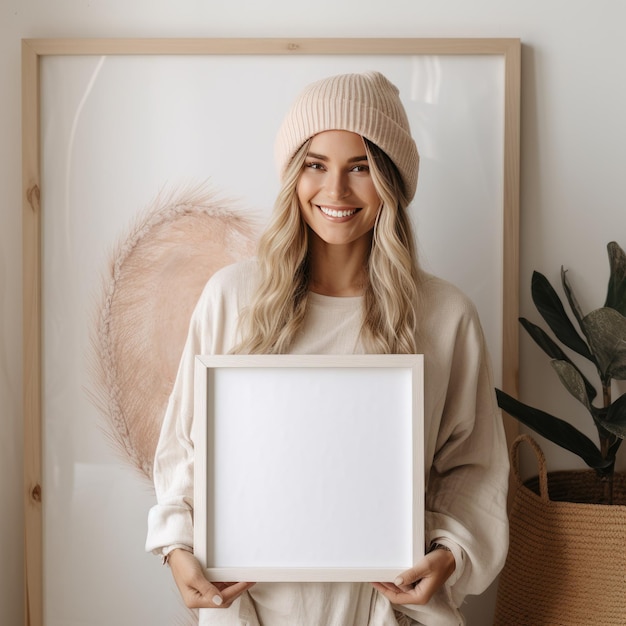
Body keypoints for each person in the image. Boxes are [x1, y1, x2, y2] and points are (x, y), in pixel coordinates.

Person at [146, 71, 509, 626]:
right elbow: (183, 449)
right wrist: (176, 550)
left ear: (391, 181)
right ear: (294, 175)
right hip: (249, 610)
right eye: (316, 164)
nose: (335, 191)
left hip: (391, 613)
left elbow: (473, 467)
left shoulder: (445, 315)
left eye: (359, 167)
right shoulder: (232, 298)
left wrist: (449, 556)